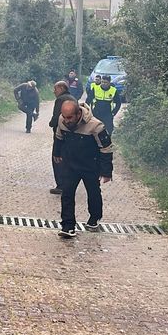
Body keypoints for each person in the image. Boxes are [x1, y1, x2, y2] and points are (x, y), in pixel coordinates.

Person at [53, 100, 113, 238]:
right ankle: (68, 226)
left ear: (78, 113)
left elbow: (106, 148)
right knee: (67, 193)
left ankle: (94, 218)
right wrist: (57, 153)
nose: (66, 121)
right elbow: (58, 137)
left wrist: (106, 171)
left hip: (90, 165)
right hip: (70, 164)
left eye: (70, 118)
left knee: (93, 192)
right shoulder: (62, 120)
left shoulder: (95, 125)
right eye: (64, 117)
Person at [48, 81, 77, 195]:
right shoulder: (72, 98)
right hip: (72, 133)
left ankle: (60, 185)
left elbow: (56, 116)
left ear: (61, 88)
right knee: (68, 158)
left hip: (61, 133)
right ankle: (69, 184)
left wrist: (51, 124)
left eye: (55, 89)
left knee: (57, 157)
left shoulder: (60, 100)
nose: (54, 91)